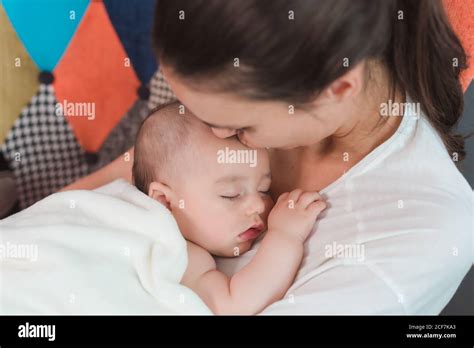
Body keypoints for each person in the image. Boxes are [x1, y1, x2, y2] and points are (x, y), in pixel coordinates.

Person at [64, 0, 472, 314]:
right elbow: (111, 188)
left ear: (337, 88)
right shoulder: (231, 66)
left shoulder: (418, 232)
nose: (214, 134)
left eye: (239, 128)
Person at [132, 102, 326, 314]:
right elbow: (234, 306)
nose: (258, 205)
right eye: (231, 195)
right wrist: (285, 235)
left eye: (264, 189)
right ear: (164, 201)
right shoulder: (176, 252)